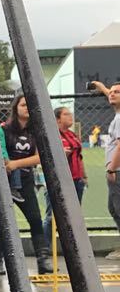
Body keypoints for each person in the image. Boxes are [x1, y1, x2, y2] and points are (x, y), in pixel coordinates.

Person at [0, 92, 53, 277]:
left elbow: (40, 157)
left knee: (35, 218)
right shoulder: (4, 130)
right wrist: (7, 165)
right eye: (23, 105)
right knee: (4, 219)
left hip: (25, 180)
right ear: (15, 108)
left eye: (29, 105)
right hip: (4, 181)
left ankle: (43, 260)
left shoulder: (36, 131)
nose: (27, 108)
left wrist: (16, 164)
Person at [42, 106, 87, 247]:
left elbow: (79, 157)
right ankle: (45, 247)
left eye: (70, 114)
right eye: (66, 114)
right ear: (57, 119)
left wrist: (84, 176)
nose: (70, 116)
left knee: (74, 215)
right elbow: (45, 157)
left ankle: (74, 246)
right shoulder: (51, 135)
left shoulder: (72, 135)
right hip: (58, 181)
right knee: (52, 215)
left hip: (76, 180)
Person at [106, 84, 120, 234]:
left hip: (117, 170)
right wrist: (101, 87)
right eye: (110, 92)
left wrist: (111, 169)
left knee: (118, 209)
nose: (112, 94)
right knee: (113, 208)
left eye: (116, 92)